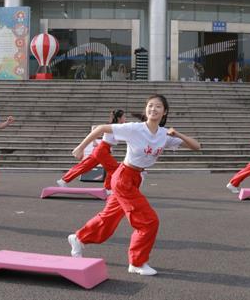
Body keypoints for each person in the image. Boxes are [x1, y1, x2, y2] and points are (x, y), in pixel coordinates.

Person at [67, 95, 201, 276]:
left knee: (108, 218)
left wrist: (176, 134)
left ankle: (79, 238)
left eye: (158, 106)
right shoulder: (135, 128)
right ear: (146, 109)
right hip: (124, 178)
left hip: (135, 179)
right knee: (148, 221)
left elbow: (196, 146)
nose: (153, 109)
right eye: (150, 106)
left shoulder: (164, 135)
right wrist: (81, 147)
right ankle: (137, 263)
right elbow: (101, 128)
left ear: (165, 112)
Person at [56, 109, 125, 192]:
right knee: (114, 168)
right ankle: (108, 189)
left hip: (101, 150)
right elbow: (94, 127)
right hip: (102, 150)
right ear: (119, 118)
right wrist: (94, 141)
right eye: (124, 116)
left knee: (84, 166)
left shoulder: (115, 126)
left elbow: (96, 128)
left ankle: (63, 180)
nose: (125, 118)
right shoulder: (112, 126)